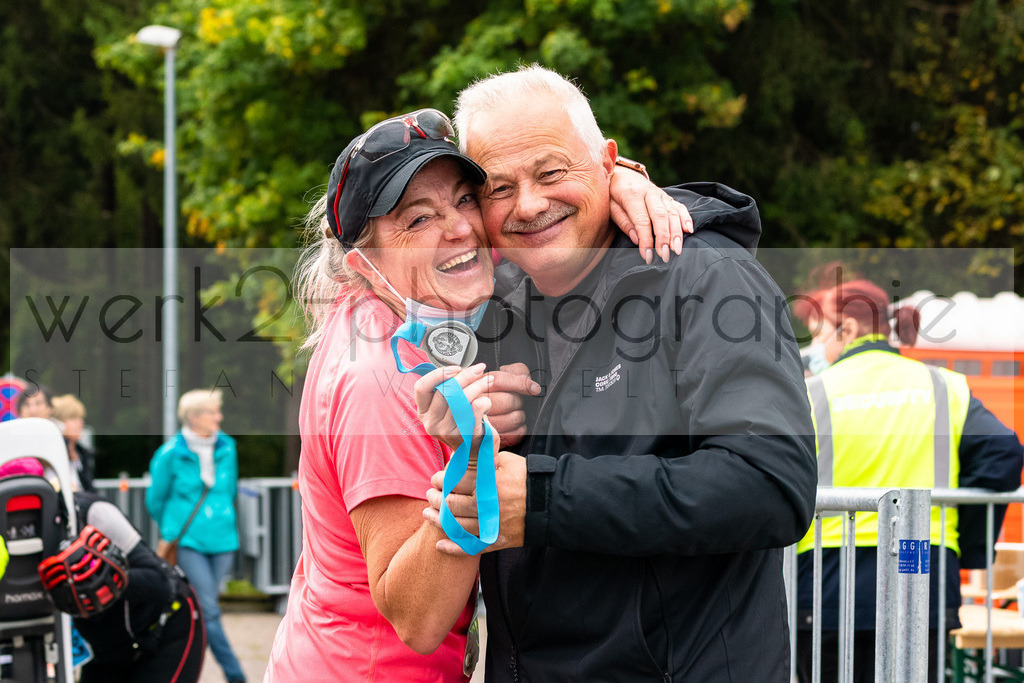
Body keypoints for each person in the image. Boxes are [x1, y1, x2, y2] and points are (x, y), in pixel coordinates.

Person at [416, 65, 818, 681]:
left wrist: (546, 497)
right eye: (498, 188)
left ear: (609, 163)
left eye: (552, 173)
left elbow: (770, 485)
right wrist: (469, 428)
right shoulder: (500, 307)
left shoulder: (708, 276)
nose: (529, 204)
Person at [264, 106, 693, 681]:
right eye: (417, 221)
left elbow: (536, 208)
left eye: (465, 200)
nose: (460, 229)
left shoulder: (409, 311)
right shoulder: (378, 375)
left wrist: (612, 177)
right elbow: (419, 621)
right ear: (365, 266)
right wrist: (477, 462)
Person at [791, 267, 1023, 683]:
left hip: (827, 579)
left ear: (845, 329)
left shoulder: (812, 394)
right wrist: (967, 546)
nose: (816, 345)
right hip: (923, 568)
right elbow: (1003, 454)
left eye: (817, 330)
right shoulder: (945, 387)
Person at [146, 389, 245, 683]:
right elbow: (155, 499)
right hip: (189, 540)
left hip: (224, 539)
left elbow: (229, 490)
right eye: (213, 412)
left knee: (203, 610)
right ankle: (236, 674)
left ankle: (178, 666)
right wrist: (172, 529)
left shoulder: (228, 447)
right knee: (209, 610)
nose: (219, 417)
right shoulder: (169, 454)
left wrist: (224, 515)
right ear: (194, 417)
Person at [51, 394, 97, 492]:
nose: (80, 423)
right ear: (58, 423)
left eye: (80, 418)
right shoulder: (53, 454)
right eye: (73, 418)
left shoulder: (83, 453)